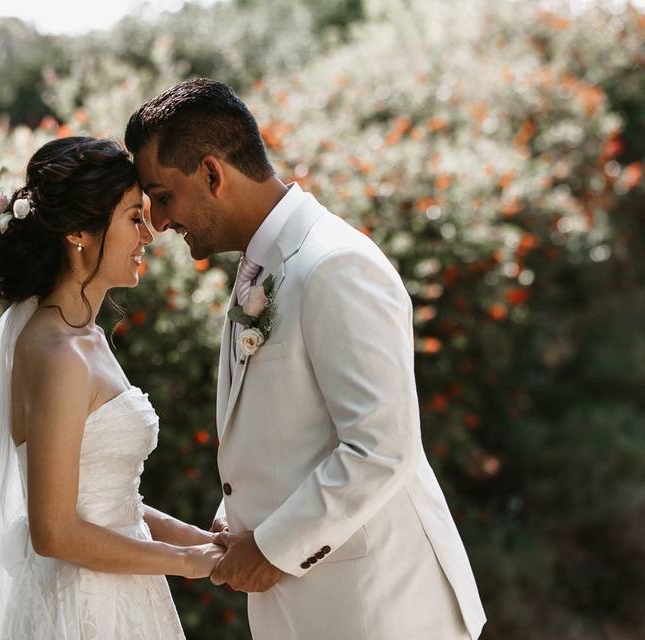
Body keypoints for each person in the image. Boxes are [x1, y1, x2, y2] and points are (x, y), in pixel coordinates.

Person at [126, 78, 488, 640]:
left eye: (163, 194)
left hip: (379, 608)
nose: (159, 219)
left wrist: (271, 548)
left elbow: (381, 444)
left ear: (212, 174)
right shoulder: (262, 269)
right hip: (313, 607)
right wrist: (242, 522)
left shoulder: (334, 264)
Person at [0, 137, 223, 639]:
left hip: (124, 596)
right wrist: (183, 562)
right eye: (134, 218)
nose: (149, 235)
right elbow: (54, 530)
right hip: (76, 609)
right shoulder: (56, 353)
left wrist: (201, 544)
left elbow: (110, 503)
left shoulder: (84, 336)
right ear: (78, 234)